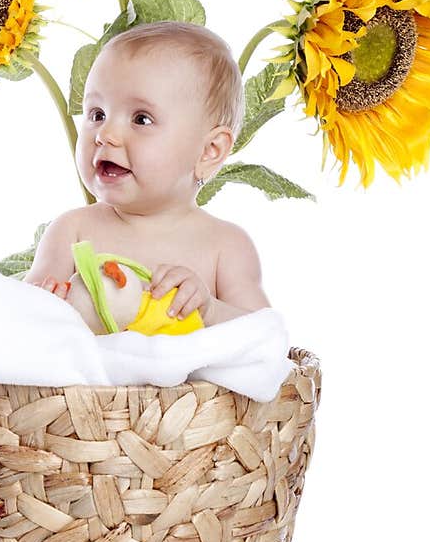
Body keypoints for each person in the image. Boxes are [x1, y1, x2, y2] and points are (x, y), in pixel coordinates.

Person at [24, 20, 271, 327]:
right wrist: (43, 303)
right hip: (89, 375)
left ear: (209, 151)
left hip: (186, 377)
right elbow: (20, 314)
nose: (106, 134)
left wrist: (209, 309)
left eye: (141, 119)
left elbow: (266, 338)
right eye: (97, 114)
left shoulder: (226, 246)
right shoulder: (71, 231)